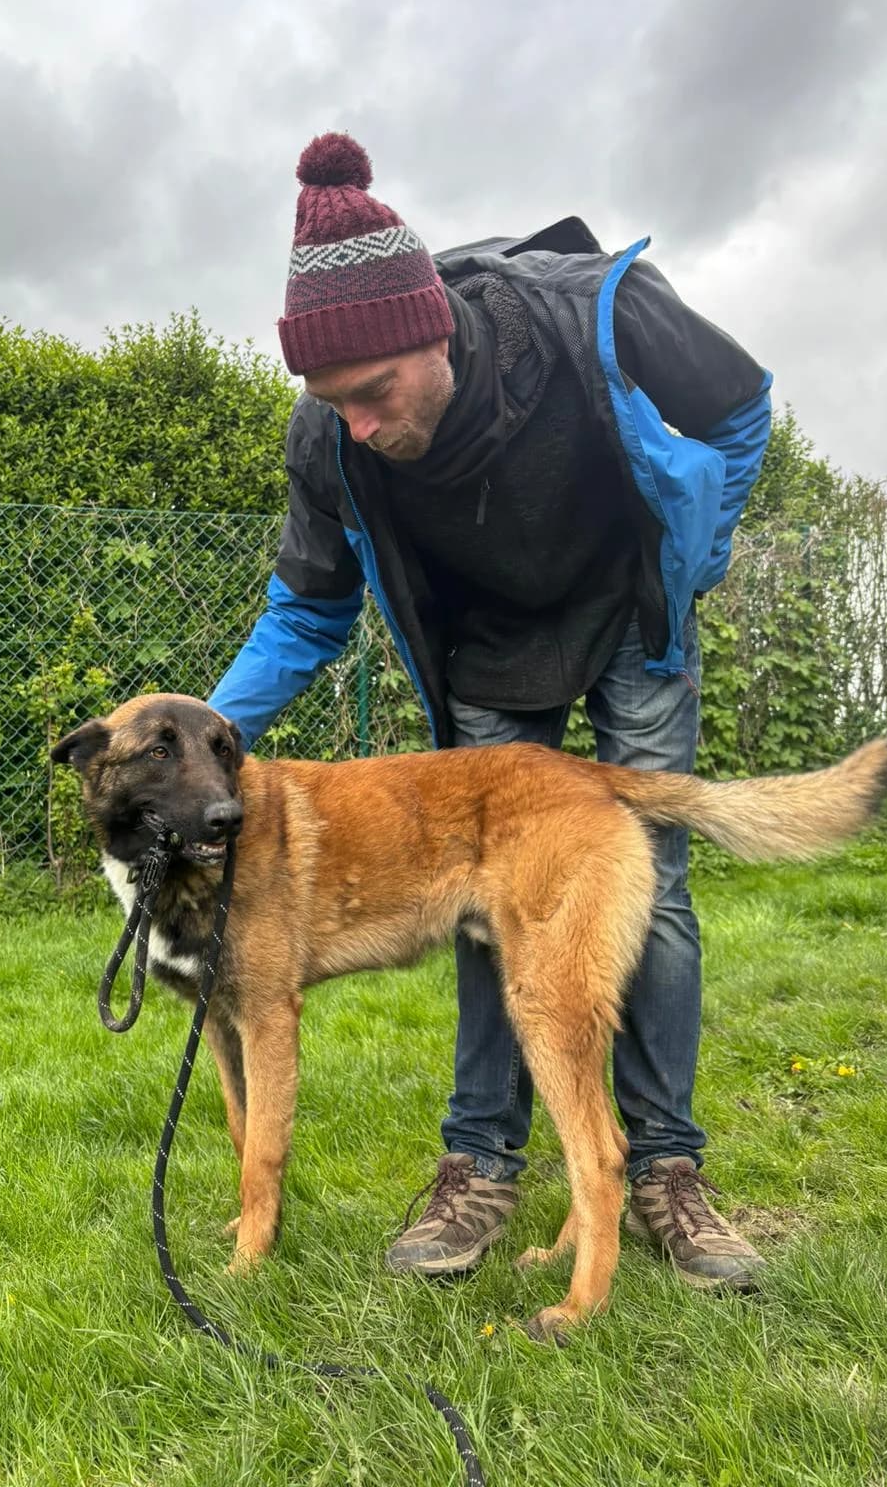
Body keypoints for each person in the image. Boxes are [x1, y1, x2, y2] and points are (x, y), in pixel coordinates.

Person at [208, 131, 772, 1291]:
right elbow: (304, 615)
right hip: (491, 652)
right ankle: (480, 1167)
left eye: (375, 392)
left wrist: (694, 561)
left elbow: (741, 408)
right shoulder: (329, 438)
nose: (357, 422)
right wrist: (198, 749)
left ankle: (665, 1168)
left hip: (628, 609)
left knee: (648, 883)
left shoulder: (588, 312)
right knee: (481, 898)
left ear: (436, 329)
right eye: (332, 402)